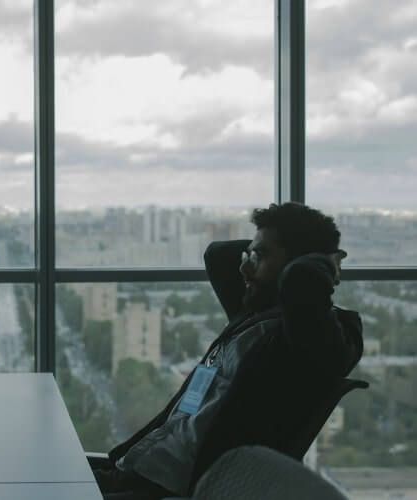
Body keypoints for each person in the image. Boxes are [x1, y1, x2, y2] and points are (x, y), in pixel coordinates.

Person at [91, 202, 364, 500]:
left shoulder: (314, 341)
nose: (244, 267)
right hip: (136, 471)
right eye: (250, 254)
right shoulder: (252, 315)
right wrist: (262, 254)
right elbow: (217, 255)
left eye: (259, 256)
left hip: (174, 491)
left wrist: (321, 261)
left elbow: (302, 280)